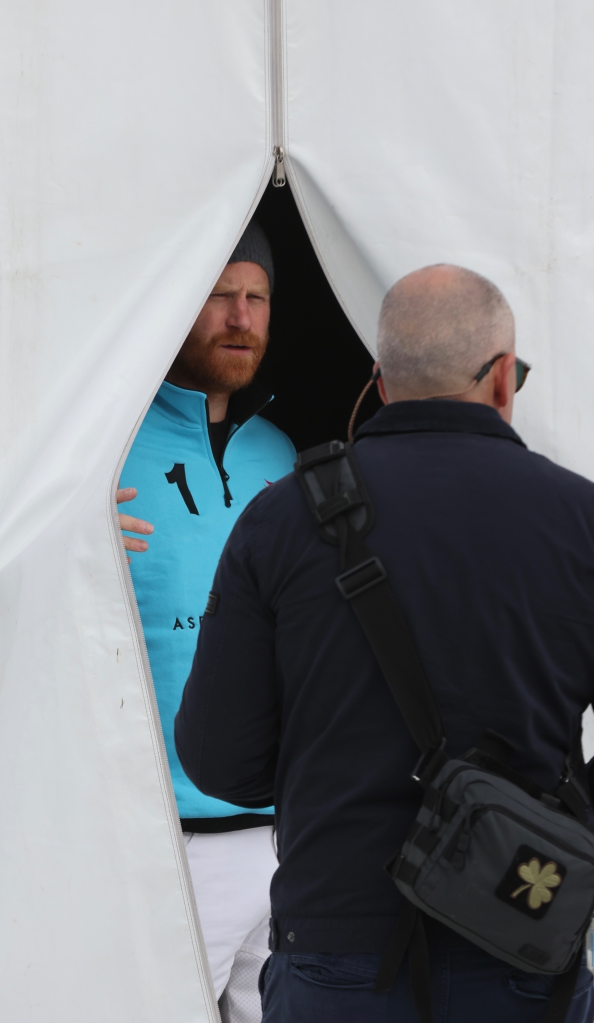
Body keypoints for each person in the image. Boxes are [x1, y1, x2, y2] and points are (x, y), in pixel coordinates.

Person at [174, 264, 594, 1023]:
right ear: (505, 377)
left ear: (380, 379)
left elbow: (219, 761)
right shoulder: (580, 519)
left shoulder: (280, 520)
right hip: (528, 939)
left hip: (336, 950)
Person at [118, 220, 296, 1023]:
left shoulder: (285, 453)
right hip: (161, 835)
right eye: (220, 295)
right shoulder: (103, 448)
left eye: (256, 296)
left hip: (286, 834)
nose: (240, 317)